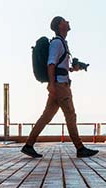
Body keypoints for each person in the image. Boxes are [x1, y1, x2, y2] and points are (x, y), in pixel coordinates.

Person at [22, 16, 98, 159]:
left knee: (46, 117)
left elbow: (59, 66)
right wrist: (52, 85)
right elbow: (51, 64)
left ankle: (28, 145)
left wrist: (74, 68)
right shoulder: (57, 43)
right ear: (60, 26)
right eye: (65, 21)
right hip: (60, 86)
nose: (68, 22)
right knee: (71, 115)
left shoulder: (62, 43)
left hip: (59, 84)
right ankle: (80, 148)